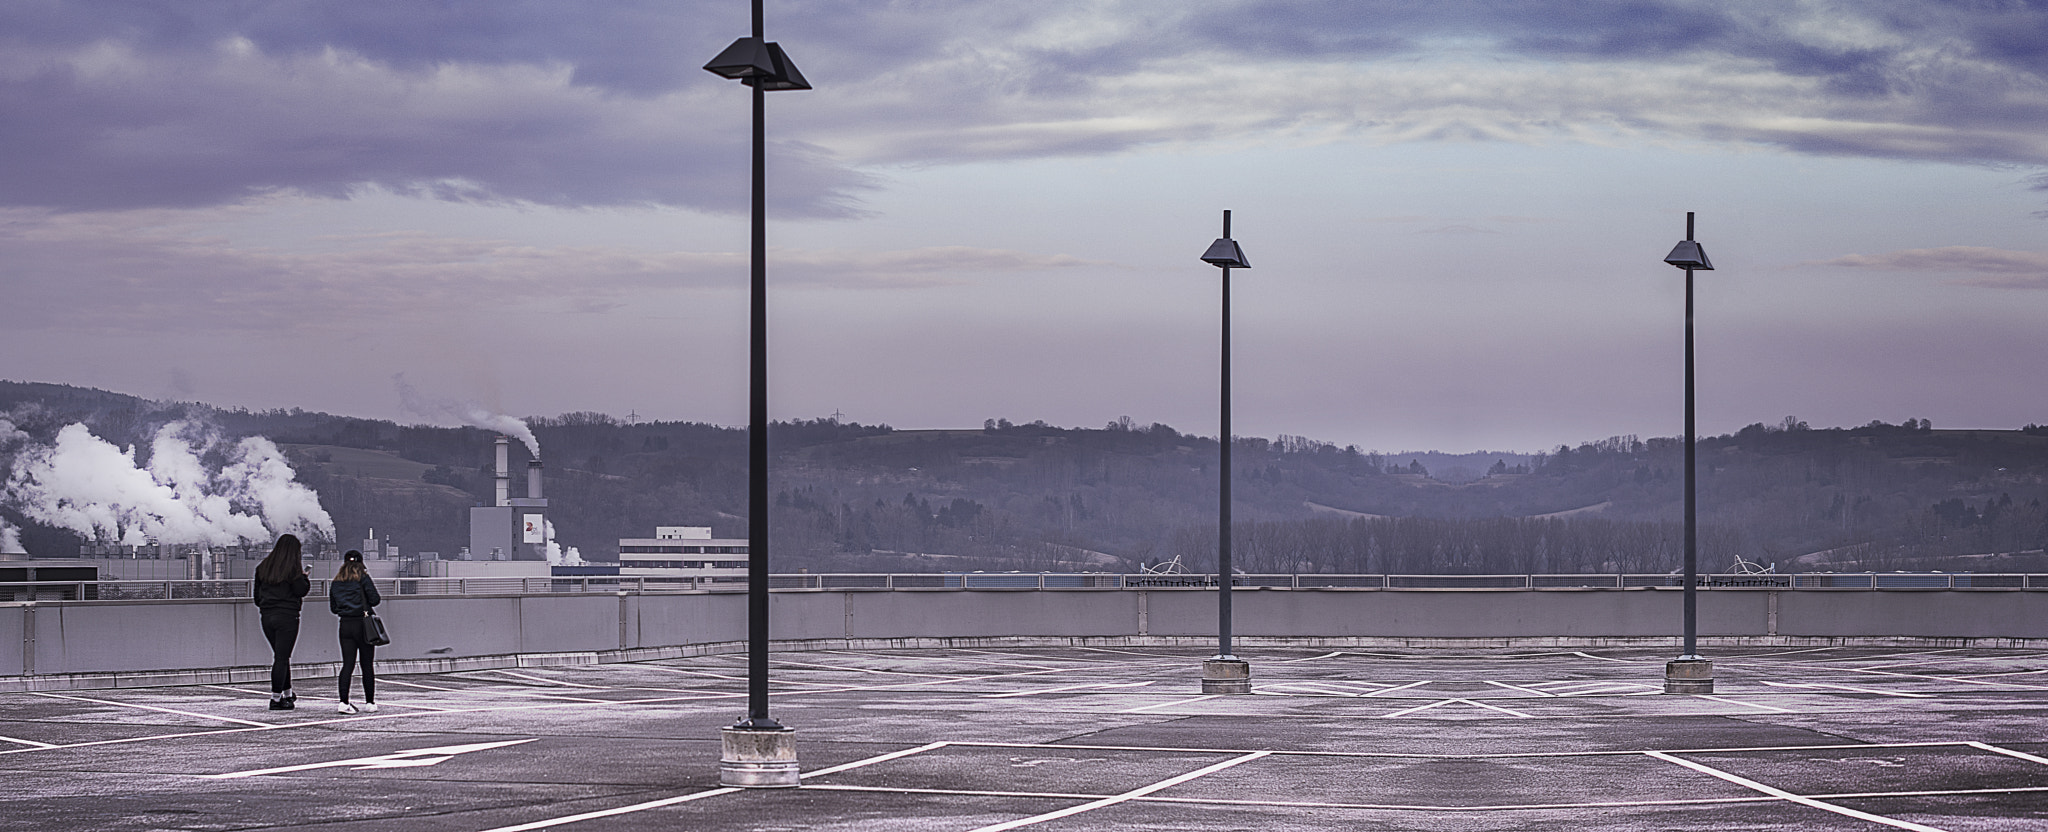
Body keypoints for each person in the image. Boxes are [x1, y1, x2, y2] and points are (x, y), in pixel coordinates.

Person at [252, 534, 310, 710]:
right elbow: (301, 591)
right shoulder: (293, 570)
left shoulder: (263, 567)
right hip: (287, 617)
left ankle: (287, 694)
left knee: (281, 657)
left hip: (267, 617)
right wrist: (304, 577)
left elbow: (256, 598)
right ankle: (275, 699)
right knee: (282, 657)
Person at [329, 549, 382, 714]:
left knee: (347, 664)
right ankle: (370, 702)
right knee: (367, 664)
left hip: (345, 625)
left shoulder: (336, 582)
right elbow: (375, 599)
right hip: (363, 624)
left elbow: (333, 608)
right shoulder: (363, 578)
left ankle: (343, 702)